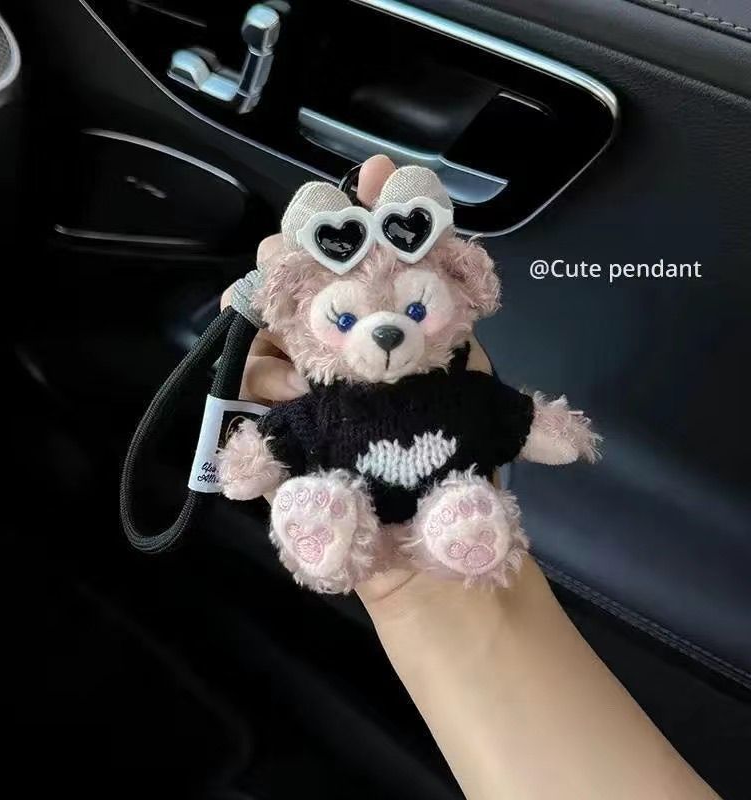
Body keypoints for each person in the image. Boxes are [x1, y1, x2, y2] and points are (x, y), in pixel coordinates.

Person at [222, 155, 720, 800]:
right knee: (322, 486)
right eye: (344, 320)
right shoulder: (321, 407)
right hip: (361, 504)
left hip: (449, 496)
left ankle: (451, 529)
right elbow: (268, 448)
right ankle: (325, 519)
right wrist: (252, 459)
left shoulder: (461, 392)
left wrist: (551, 433)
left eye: (415, 308)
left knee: (460, 503)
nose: (387, 332)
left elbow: (517, 420)